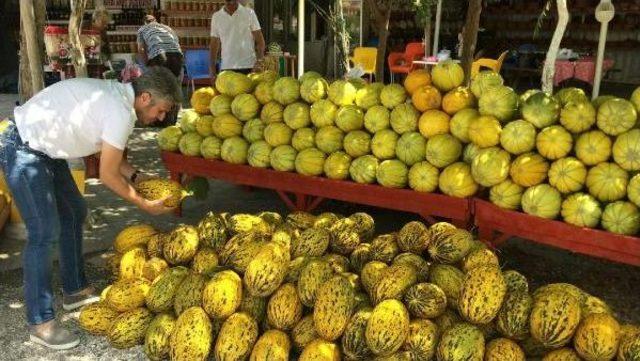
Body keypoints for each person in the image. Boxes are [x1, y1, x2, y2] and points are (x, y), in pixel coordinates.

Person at [0, 66, 181, 350]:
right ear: (145, 97)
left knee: (74, 211)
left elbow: (106, 149)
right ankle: (41, 323)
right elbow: (107, 174)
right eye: (161, 110)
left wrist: (136, 176)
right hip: (23, 147)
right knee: (44, 233)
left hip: (46, 151)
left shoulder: (119, 98)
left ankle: (73, 289)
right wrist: (143, 203)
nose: (160, 117)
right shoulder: (120, 112)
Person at [209, 0, 266, 81]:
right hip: (227, 67)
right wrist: (212, 68)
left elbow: (260, 42)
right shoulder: (217, 17)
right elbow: (214, 44)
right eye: (228, 1)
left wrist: (259, 62)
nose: (231, 3)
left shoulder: (249, 13)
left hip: (249, 66)